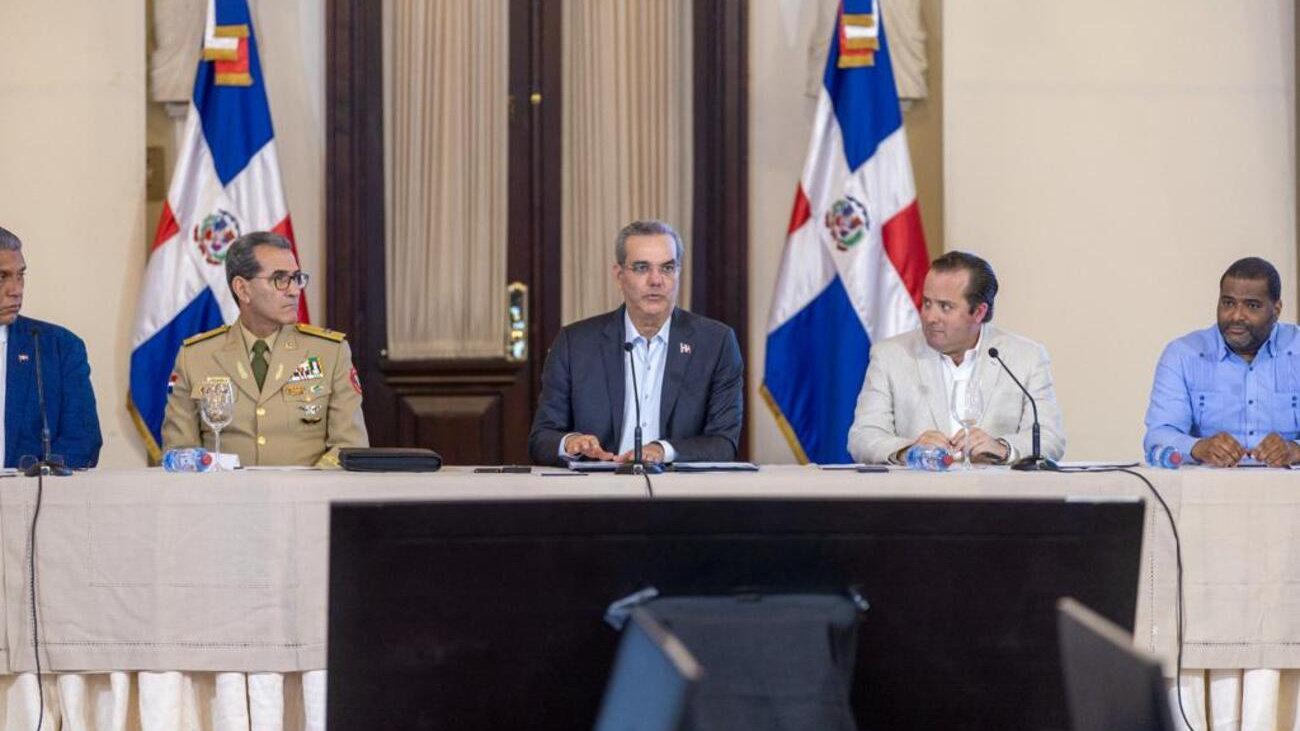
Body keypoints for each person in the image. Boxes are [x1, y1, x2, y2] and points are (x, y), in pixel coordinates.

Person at [528, 220, 743, 467]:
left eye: (667, 268)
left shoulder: (715, 343)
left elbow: (724, 443)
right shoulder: (574, 343)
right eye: (642, 268)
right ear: (619, 276)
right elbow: (541, 438)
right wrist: (570, 442)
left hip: (678, 492)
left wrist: (662, 450)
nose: (656, 280)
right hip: (597, 490)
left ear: (678, 274)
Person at [162, 232, 368, 466]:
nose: (294, 290)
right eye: (280, 278)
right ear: (242, 289)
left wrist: (305, 489)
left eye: (296, 277)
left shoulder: (331, 353)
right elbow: (179, 453)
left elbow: (351, 448)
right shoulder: (195, 357)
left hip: (305, 498)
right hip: (223, 498)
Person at [847, 251, 1066, 464]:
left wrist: (1001, 448)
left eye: (945, 307)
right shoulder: (890, 355)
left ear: (979, 312)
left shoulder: (1026, 357)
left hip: (996, 496)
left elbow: (1049, 439)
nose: (931, 317)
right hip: (917, 495)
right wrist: (908, 451)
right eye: (927, 303)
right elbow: (862, 437)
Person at [1143, 256, 1300, 467]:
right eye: (1228, 303)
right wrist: (1198, 448)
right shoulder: (1183, 355)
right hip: (1207, 492)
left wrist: (1295, 450)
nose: (1236, 315)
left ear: (1276, 310)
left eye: (1252, 305)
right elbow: (1157, 437)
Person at [0, 226, 102, 468]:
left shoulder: (58, 348)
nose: (16, 290)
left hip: (33, 501)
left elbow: (83, 442)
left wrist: (28, 487)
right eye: (1, 277)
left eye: (20, 275)